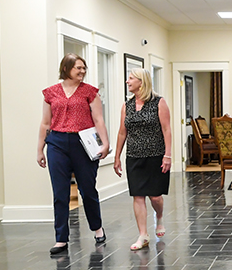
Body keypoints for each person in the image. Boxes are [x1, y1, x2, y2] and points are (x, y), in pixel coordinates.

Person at [37, 53, 109, 255]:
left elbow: (98, 119)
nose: (82, 71)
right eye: (78, 67)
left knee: (87, 189)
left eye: (84, 68)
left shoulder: (90, 92)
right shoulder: (51, 93)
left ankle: (97, 228)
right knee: (60, 193)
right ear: (66, 68)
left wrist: (105, 143)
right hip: (57, 143)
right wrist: (39, 149)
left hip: (83, 143)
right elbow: (45, 123)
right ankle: (61, 239)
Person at [113, 68, 172, 251]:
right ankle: (143, 235)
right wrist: (117, 157)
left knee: (155, 196)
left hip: (155, 155)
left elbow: (167, 129)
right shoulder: (127, 105)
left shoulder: (158, 103)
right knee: (138, 195)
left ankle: (159, 217)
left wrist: (168, 155)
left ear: (141, 81)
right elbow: (123, 132)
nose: (127, 81)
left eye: (130, 78)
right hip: (134, 156)